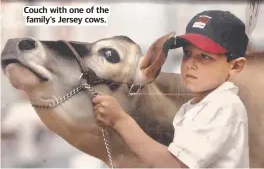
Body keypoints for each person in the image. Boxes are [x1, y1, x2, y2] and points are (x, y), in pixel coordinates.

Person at [92, 10, 249, 168]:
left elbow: (172, 165)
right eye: (187, 53)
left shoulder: (222, 106)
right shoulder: (201, 105)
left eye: (205, 57)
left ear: (235, 66)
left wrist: (120, 121)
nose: (190, 64)